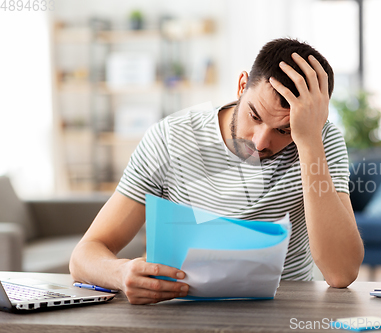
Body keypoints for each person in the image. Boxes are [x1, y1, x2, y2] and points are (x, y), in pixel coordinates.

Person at [70, 38, 364, 305]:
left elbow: (341, 273)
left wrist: (309, 140)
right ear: (241, 85)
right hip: (181, 308)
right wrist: (120, 273)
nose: (260, 142)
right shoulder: (170, 139)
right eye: (255, 115)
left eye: (284, 130)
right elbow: (84, 255)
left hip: (284, 309)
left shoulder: (320, 140)